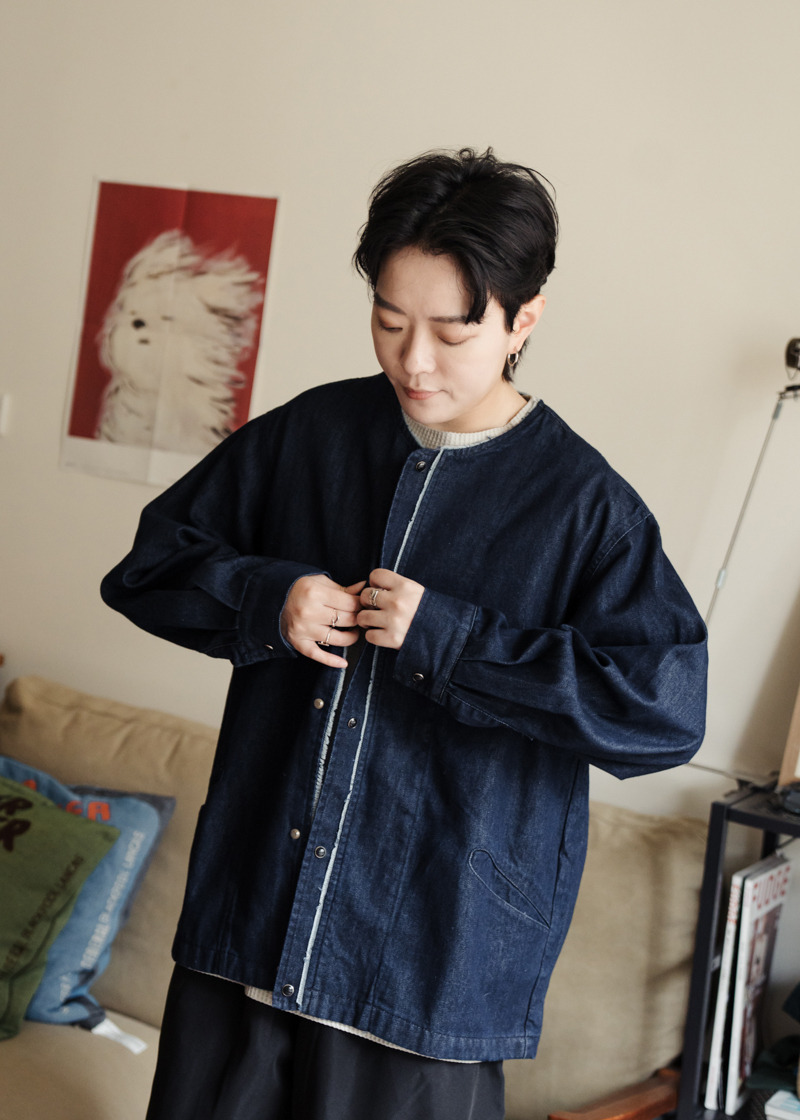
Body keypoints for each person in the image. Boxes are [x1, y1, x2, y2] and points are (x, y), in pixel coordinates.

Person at [101, 148, 708, 1120]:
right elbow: (148, 567)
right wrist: (267, 597)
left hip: (422, 984)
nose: (413, 361)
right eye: (389, 322)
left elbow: (661, 713)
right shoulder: (310, 435)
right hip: (245, 938)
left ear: (523, 319)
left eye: (451, 331)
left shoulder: (586, 510)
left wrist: (455, 643)